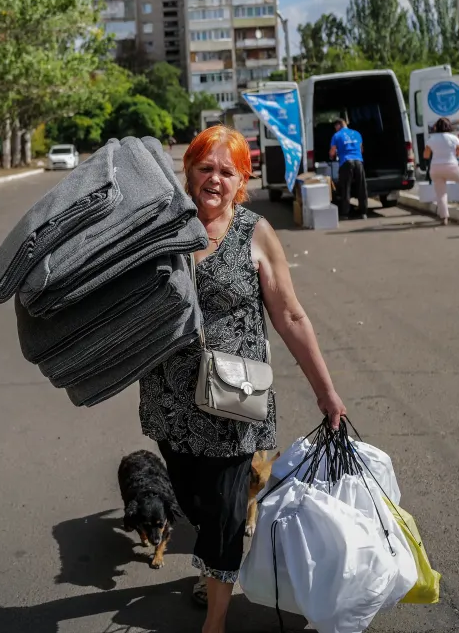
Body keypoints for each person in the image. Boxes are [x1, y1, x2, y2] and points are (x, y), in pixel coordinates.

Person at [138, 125, 347, 633]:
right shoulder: (161, 227)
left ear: (242, 180)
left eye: (226, 172)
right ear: (187, 172)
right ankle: (214, 564)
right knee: (194, 502)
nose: (214, 179)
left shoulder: (254, 232)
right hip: (171, 401)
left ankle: (216, 618)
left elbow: (291, 317)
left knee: (230, 509)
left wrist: (326, 392)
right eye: (204, 168)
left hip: (236, 400)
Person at [423, 118, 459, 225]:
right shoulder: (454, 138)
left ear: (436, 127)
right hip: (451, 166)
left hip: (435, 168)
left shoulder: (431, 139)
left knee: (441, 193)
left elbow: (426, 155)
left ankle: (444, 218)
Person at [329, 117, 367, 219]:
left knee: (345, 188)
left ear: (338, 126)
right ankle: (363, 213)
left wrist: (331, 156)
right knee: (361, 188)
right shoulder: (357, 133)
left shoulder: (336, 135)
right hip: (359, 162)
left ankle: (345, 214)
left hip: (346, 162)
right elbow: (361, 149)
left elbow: (332, 151)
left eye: (335, 127)